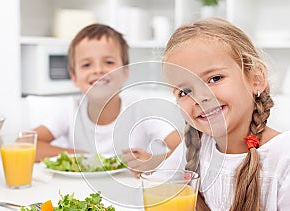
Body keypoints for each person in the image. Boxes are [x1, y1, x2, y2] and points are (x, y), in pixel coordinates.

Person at [142, 18, 290, 211]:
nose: (201, 97)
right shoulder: (197, 145)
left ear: (256, 79)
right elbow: (159, 187)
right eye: (184, 91)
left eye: (215, 78)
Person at [33, 24, 181, 176]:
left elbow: (187, 149)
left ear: (125, 71)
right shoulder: (70, 109)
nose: (98, 70)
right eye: (86, 64)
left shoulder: (140, 110)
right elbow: (26, 144)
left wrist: (155, 161)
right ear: (74, 77)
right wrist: (81, 157)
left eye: (109, 62)